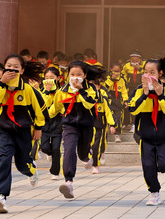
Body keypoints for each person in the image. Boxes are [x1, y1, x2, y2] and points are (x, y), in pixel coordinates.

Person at [0, 54, 47, 214]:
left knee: (22, 164)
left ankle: (31, 170)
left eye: (16, 67)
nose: (12, 70)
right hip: (4, 129)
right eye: (9, 66)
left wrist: (39, 128)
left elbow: (40, 109)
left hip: (24, 131)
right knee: (3, 158)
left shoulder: (28, 89)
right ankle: (1, 196)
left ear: (22, 70)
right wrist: (2, 83)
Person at [128, 57, 165, 206]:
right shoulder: (139, 90)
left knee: (164, 166)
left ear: (160, 73)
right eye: (145, 72)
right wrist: (145, 94)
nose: (148, 75)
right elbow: (133, 109)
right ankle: (154, 193)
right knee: (148, 167)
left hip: (164, 136)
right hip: (146, 137)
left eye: (152, 72)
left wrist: (160, 94)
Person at [49, 61, 103, 199]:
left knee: (82, 154)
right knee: (69, 149)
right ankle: (68, 182)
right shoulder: (62, 91)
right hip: (69, 126)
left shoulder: (90, 88)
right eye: (72, 74)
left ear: (85, 75)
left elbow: (90, 103)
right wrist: (39, 120)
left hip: (86, 126)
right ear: (67, 75)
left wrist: (81, 90)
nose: (75, 77)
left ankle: (87, 155)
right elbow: (53, 110)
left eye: (79, 74)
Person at [40, 67, 64, 180]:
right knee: (44, 147)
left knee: (56, 148)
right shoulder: (42, 92)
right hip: (45, 124)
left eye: (52, 78)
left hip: (58, 124)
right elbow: (42, 106)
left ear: (58, 78)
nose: (48, 80)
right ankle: (50, 154)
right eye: (46, 78)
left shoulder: (62, 91)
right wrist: (46, 92)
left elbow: (62, 107)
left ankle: (55, 172)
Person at [91, 78, 116, 174]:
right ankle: (88, 159)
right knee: (88, 145)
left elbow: (109, 113)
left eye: (95, 86)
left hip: (99, 126)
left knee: (97, 146)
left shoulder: (103, 99)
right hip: (88, 126)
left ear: (99, 87)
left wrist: (112, 125)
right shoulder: (84, 98)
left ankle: (95, 165)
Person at [104, 63, 128, 143]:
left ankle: (117, 135)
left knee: (118, 117)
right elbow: (104, 88)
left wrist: (125, 101)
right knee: (107, 117)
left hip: (118, 101)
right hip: (109, 101)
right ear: (111, 70)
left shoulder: (122, 80)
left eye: (118, 71)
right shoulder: (107, 78)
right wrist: (111, 79)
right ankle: (105, 134)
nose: (116, 73)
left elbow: (124, 91)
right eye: (114, 71)